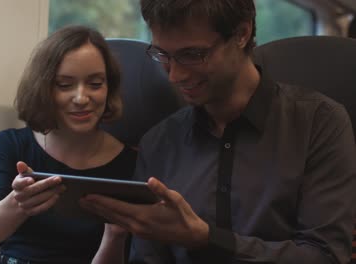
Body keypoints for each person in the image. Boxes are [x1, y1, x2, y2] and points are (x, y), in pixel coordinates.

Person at [80, 0, 356, 263]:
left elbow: (325, 256)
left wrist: (206, 239)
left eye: (192, 54)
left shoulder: (319, 124)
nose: (175, 76)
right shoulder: (158, 142)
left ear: (241, 34)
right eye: (163, 55)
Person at [0, 25, 137, 264]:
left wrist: (115, 237)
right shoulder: (11, 145)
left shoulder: (130, 164)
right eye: (64, 85)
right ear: (44, 89)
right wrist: (18, 204)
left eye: (95, 84)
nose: (81, 98)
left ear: (109, 88)